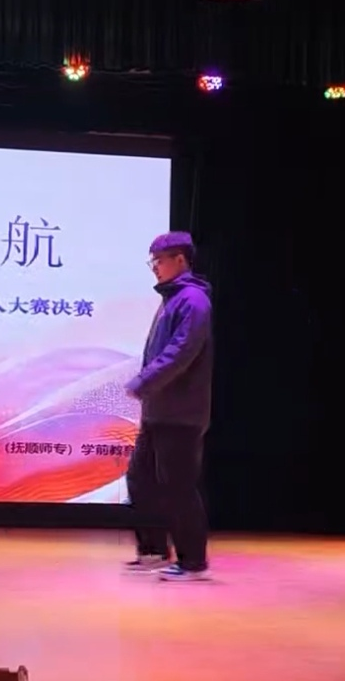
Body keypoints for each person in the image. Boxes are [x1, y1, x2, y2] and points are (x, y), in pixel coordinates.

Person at [122, 231, 214, 582]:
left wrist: (143, 382)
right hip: (159, 411)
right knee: (141, 479)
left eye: (158, 261)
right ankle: (154, 550)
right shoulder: (172, 300)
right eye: (152, 261)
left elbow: (180, 352)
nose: (154, 267)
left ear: (179, 260)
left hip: (181, 414)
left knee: (178, 486)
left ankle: (193, 563)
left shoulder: (193, 301)